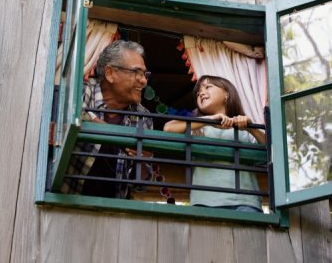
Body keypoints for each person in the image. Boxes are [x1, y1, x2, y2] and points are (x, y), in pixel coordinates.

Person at [163, 75, 267, 213]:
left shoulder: (245, 130)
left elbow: (270, 150)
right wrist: (209, 119)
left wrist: (251, 127)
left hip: (246, 202)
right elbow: (168, 128)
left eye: (208, 87)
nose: (201, 93)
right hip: (204, 202)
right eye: (198, 93)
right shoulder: (197, 128)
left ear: (226, 94)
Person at [65, 40, 153, 199]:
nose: (144, 81)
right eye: (137, 72)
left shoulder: (143, 117)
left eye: (145, 74)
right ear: (110, 73)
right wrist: (121, 138)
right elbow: (75, 114)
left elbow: (140, 185)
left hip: (111, 210)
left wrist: (142, 162)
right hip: (67, 201)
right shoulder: (83, 91)